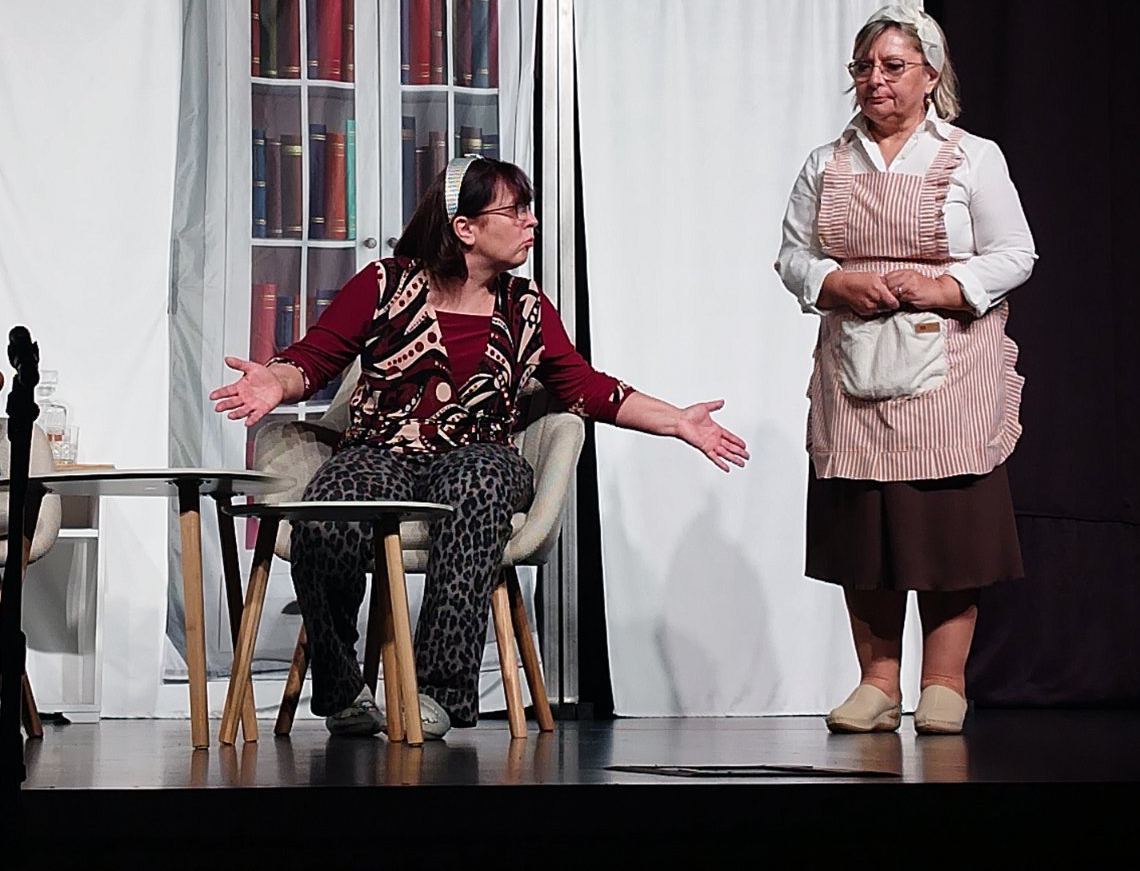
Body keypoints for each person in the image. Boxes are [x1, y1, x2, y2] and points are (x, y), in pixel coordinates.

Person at [212, 156, 748, 738]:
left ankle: (438, 692)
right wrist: (276, 380)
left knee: (478, 483)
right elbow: (314, 358)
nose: (531, 221)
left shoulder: (526, 307)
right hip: (382, 448)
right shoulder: (385, 284)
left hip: (481, 453)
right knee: (332, 506)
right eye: (516, 210)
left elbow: (587, 388)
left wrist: (678, 421)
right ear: (464, 227)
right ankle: (343, 690)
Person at [775, 0, 1036, 735]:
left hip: (950, 363)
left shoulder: (971, 156)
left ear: (930, 74)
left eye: (892, 66)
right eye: (864, 67)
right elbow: (792, 255)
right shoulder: (826, 163)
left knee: (948, 527)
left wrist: (946, 287)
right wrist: (835, 282)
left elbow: (1016, 252)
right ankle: (878, 684)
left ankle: (945, 683)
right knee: (865, 527)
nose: (875, 80)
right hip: (856, 364)